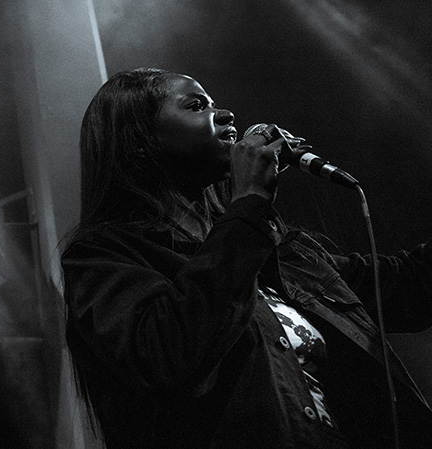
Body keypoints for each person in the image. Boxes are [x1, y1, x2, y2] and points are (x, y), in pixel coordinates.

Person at [60, 67, 432, 448]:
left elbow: (407, 285)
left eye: (214, 103)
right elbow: (165, 353)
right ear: (140, 141)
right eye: (196, 106)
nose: (224, 115)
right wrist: (250, 202)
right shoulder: (103, 255)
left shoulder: (280, 250)